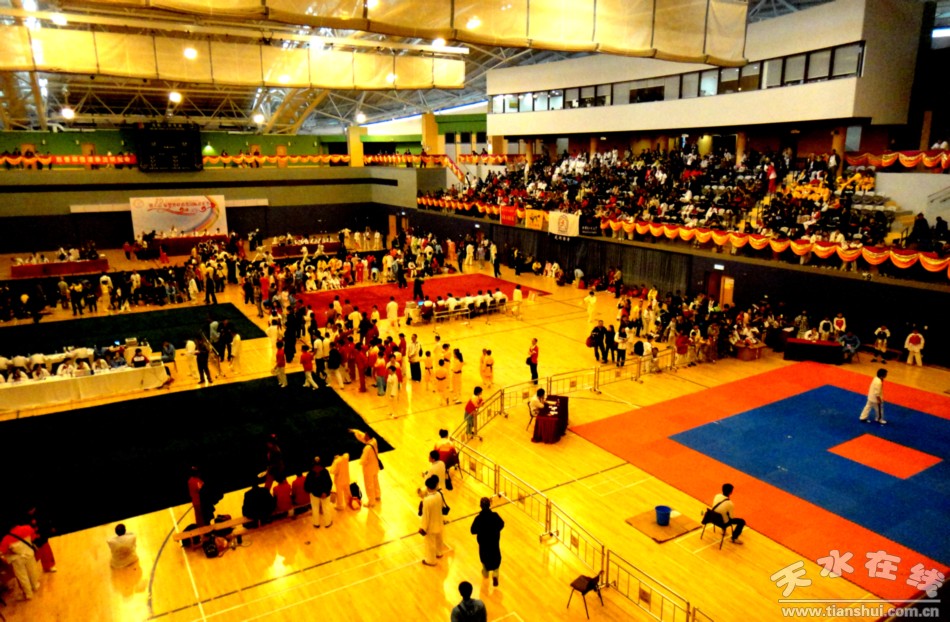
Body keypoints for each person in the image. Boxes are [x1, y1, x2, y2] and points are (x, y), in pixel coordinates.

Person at [470, 497, 505, 586]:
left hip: (483, 543)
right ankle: (495, 574)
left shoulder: (478, 518)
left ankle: (485, 573)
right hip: (494, 541)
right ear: (489, 505)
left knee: (484, 558)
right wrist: (496, 530)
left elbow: (472, 530)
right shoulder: (495, 516)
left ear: (480, 506)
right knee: (496, 557)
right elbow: (501, 524)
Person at [1, 522, 41, 598]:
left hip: (17, 559)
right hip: (29, 554)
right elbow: (33, 538)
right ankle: (35, 585)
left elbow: (1, 551)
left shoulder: (6, 539)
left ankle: (28, 593)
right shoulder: (27, 528)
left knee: (22, 577)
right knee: (32, 571)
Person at [419, 475, 446, 566]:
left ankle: (431, 560)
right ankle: (439, 553)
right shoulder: (439, 495)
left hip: (431, 526)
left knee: (430, 544)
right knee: (439, 539)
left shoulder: (427, 500)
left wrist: (423, 527)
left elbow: (425, 516)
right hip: (439, 522)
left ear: (428, 487)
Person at [352, 429, 381, 507]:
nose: (364, 436)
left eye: (366, 435)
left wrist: (360, 463)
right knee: (375, 481)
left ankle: (371, 502)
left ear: (368, 436)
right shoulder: (374, 441)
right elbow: (364, 438)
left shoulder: (367, 448)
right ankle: (377, 495)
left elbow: (363, 460)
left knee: (369, 485)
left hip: (368, 469)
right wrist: (356, 432)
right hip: (375, 466)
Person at [305, 457, 334, 528]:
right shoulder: (325, 472)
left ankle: (316, 523)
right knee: (326, 508)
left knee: (315, 508)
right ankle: (327, 523)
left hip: (314, 495)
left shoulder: (310, 474)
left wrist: (313, 491)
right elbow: (329, 483)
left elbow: (307, 486)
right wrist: (325, 492)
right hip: (325, 495)